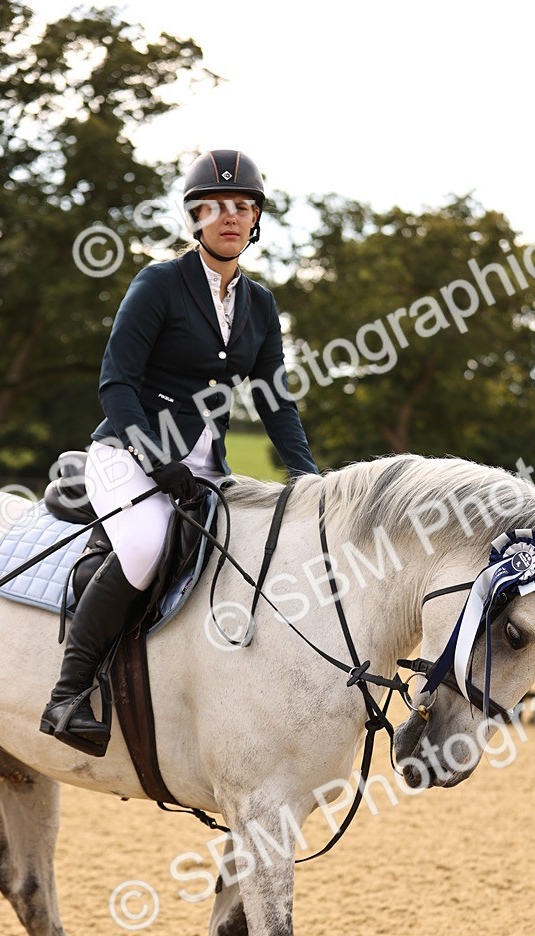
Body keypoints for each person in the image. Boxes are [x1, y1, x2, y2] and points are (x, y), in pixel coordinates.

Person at [40, 148, 319, 755]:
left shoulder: (261, 304)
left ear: (255, 220)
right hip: (126, 453)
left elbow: (275, 400)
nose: (230, 217)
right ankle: (67, 693)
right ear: (195, 218)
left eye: (242, 207)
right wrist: (153, 458)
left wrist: (308, 475)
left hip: (204, 466)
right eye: (216, 207)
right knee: (144, 547)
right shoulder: (159, 283)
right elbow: (116, 381)